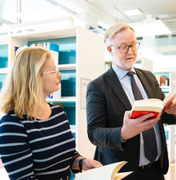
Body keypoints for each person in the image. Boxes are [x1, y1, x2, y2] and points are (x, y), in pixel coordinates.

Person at [86, 22, 176, 180]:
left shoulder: (148, 77)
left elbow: (163, 115)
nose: (130, 51)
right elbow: (94, 133)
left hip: (156, 169)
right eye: (123, 46)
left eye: (133, 45)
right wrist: (123, 133)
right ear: (110, 50)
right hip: (124, 173)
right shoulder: (97, 86)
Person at [0, 47, 102, 180]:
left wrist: (81, 162)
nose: (59, 75)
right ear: (34, 76)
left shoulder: (58, 112)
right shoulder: (12, 124)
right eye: (53, 70)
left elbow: (67, 155)